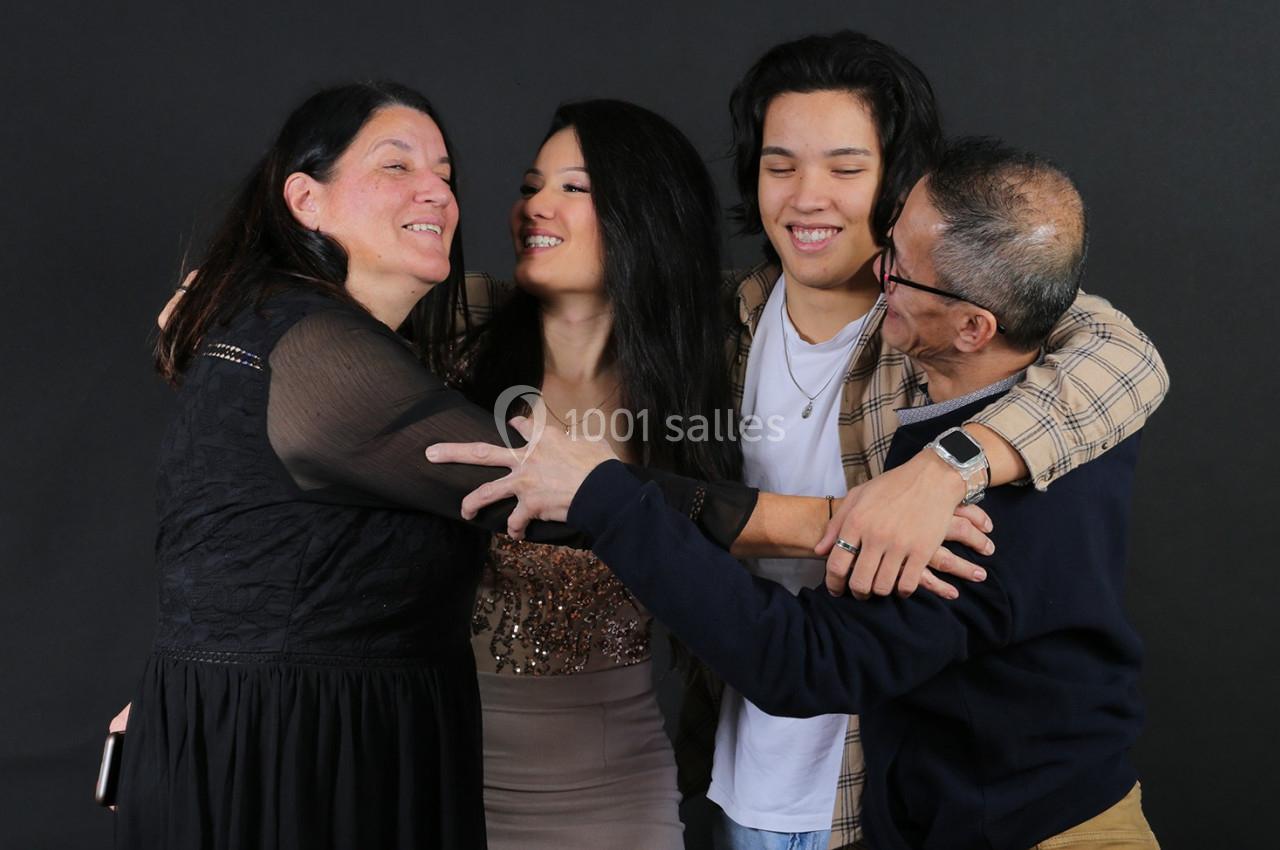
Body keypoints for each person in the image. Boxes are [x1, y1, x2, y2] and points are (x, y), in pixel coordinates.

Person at [431, 137, 1162, 850]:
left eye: (900, 272)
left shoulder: (991, 510)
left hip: (1042, 831)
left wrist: (604, 494)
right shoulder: (975, 406)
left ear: (973, 328)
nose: (879, 275)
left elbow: (802, 661)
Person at [113, 81, 753, 850]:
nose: (532, 206)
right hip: (439, 748)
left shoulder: (724, 348)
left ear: (649, 216)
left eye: (573, 187)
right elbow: (295, 371)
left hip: (612, 767)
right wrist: (200, 680)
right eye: (528, 187)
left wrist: (932, 474)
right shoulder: (453, 332)